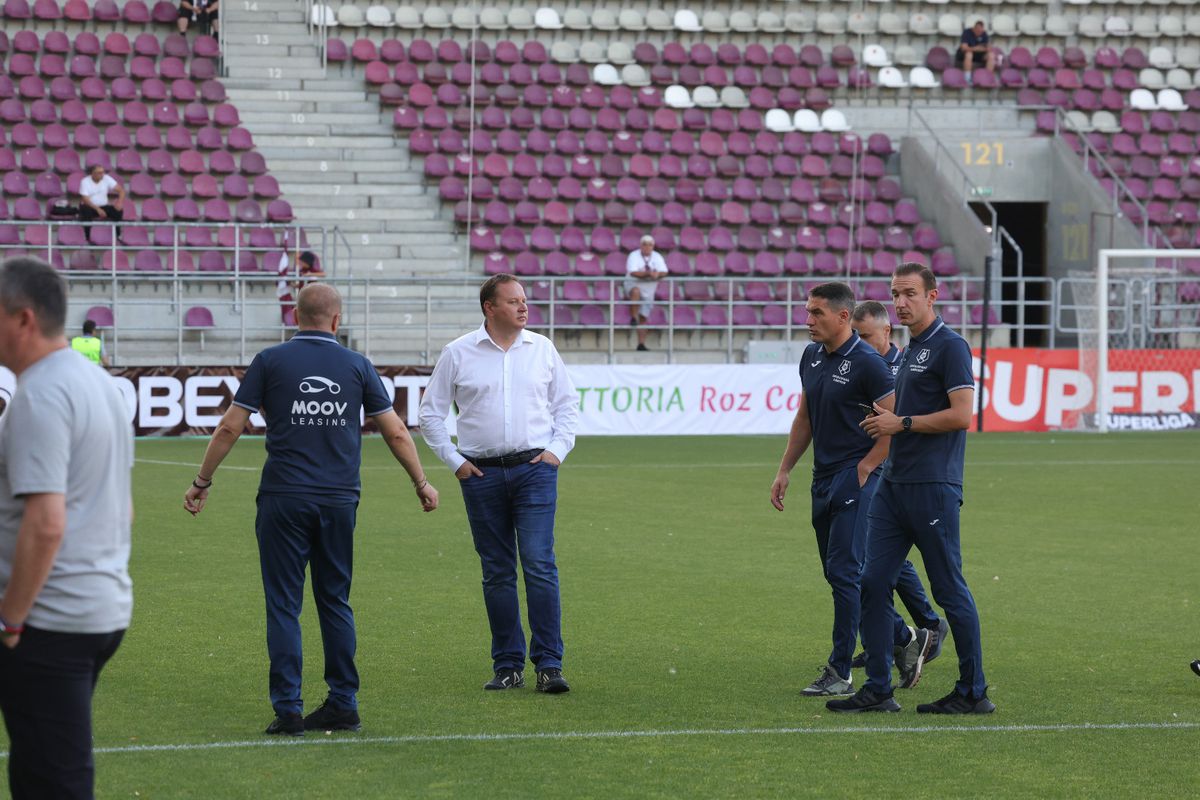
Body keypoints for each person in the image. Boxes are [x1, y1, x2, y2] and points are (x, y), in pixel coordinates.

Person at [183, 283, 439, 736]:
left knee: (284, 604)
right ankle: (343, 702)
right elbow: (397, 432)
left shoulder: (270, 361)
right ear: (337, 321)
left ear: (295, 317)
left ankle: (289, 710)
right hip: (339, 500)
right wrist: (420, 482)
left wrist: (203, 481)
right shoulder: (357, 365)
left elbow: (229, 427)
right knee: (334, 599)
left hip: (283, 497)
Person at [828, 262, 993, 715]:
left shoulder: (950, 346)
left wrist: (900, 422)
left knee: (948, 589)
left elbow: (962, 415)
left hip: (933, 486)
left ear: (932, 296)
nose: (900, 302)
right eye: (895, 294)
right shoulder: (909, 351)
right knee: (871, 580)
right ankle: (879, 688)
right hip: (894, 487)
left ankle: (973, 691)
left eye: (909, 294)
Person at [0, 256, 133, 798]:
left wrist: (10, 620)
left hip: (50, 620)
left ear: (24, 319)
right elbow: (122, 508)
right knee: (38, 768)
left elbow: (47, 523)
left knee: (53, 778)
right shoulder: (97, 383)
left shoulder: (40, 393)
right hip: (99, 605)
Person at [770, 283, 933, 698]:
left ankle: (840, 670)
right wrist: (785, 468)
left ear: (843, 317)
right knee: (839, 573)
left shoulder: (868, 363)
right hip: (822, 478)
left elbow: (896, 423)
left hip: (856, 479)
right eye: (807, 312)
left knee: (845, 574)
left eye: (817, 313)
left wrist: (864, 468)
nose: (808, 320)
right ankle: (904, 637)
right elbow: (805, 416)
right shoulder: (811, 357)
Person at [420, 273, 579, 694]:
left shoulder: (542, 349)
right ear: (489, 308)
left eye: (524, 300)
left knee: (539, 565)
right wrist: (454, 461)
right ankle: (507, 664)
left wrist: (555, 453)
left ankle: (549, 664)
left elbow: (567, 405)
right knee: (497, 573)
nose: (523, 307)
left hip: (535, 471)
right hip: (481, 474)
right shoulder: (458, 353)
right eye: (513, 301)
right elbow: (430, 414)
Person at [848, 301, 948, 670]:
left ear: (886, 332)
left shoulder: (900, 367)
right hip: (873, 471)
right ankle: (905, 632)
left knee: (864, 561)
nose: (859, 343)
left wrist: (868, 464)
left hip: (890, 472)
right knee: (875, 560)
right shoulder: (860, 365)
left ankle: (915, 630)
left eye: (865, 337)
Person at [624, 235, 668, 352]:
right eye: (645, 244)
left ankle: (641, 344)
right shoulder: (634, 255)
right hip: (634, 283)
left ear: (653, 246)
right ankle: (633, 316)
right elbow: (633, 272)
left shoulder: (657, 256)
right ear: (641, 245)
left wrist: (657, 274)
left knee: (644, 316)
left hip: (649, 288)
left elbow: (664, 271)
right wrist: (649, 274)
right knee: (635, 291)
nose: (647, 247)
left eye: (650, 244)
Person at [77, 164, 125, 242]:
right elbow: (85, 200)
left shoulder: (106, 178)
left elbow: (121, 190)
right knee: (86, 211)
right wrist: (98, 209)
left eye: (102, 172)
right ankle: (88, 236)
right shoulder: (85, 181)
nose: (102, 174)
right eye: (99, 173)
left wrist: (119, 202)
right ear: (92, 173)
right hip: (89, 206)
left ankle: (117, 234)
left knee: (118, 211)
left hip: (103, 206)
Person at [277, 251, 323, 325]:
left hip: (311, 296)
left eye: (303, 262)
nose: (301, 263)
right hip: (302, 296)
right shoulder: (302, 271)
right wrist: (294, 285)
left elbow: (323, 274)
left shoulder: (312, 271)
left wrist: (310, 274)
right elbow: (301, 284)